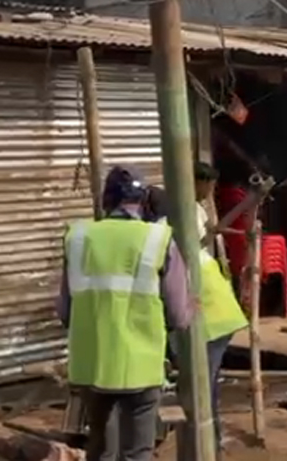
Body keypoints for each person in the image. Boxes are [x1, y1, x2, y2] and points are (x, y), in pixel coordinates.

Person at [58, 166, 193, 461]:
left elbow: (65, 312)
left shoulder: (77, 237)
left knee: (100, 448)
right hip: (141, 366)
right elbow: (179, 315)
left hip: (91, 366)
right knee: (137, 452)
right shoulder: (158, 239)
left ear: (106, 200)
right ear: (143, 201)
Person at [145, 166, 250, 456]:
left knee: (200, 387)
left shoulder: (165, 230)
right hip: (215, 314)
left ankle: (207, 447)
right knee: (203, 385)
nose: (209, 192)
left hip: (210, 317)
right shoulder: (181, 221)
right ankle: (208, 444)